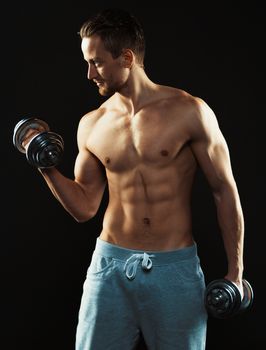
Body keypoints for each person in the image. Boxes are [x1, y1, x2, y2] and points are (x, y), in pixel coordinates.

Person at [21, 7, 245, 350]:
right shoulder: (92, 124)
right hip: (109, 270)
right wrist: (44, 164)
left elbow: (224, 191)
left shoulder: (189, 111)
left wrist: (236, 272)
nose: (89, 73)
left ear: (126, 57)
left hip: (175, 272)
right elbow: (84, 208)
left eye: (96, 62)